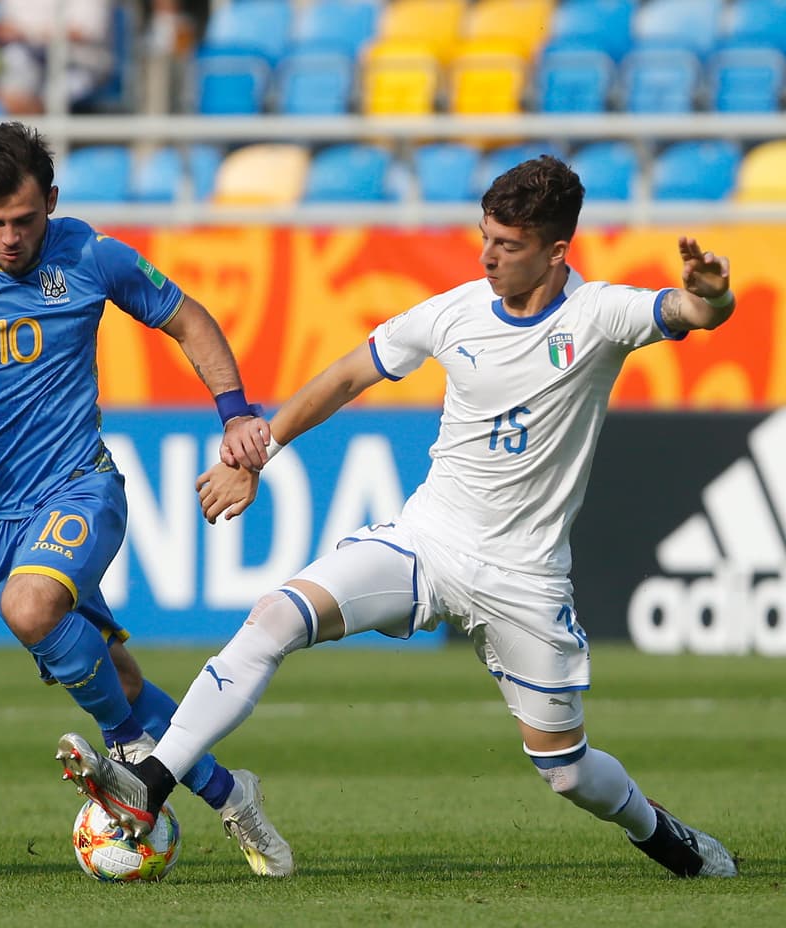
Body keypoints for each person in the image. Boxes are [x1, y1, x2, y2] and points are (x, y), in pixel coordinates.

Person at [54, 155, 741, 880]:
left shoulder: (598, 314)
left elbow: (687, 313)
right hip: (426, 543)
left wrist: (710, 298)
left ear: (556, 252)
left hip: (524, 579)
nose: (487, 256)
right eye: (485, 237)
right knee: (274, 620)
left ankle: (661, 832)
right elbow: (351, 371)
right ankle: (151, 783)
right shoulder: (454, 312)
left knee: (567, 772)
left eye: (507, 246)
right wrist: (259, 453)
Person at [0, 121, 293, 876]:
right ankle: (229, 792)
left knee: (31, 609)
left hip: (80, 483)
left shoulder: (91, 254)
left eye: (24, 220)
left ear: (50, 200)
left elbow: (191, 320)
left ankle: (123, 754)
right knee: (124, 678)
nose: (10, 239)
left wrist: (235, 411)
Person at [0, 0, 114, 115]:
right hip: (12, 57)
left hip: (75, 64)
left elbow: (84, 31)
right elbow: (3, 25)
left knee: (15, 93)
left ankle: (34, 168)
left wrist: (26, 34)